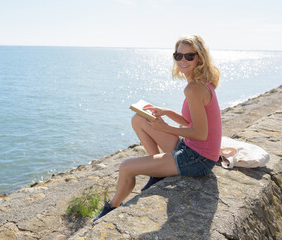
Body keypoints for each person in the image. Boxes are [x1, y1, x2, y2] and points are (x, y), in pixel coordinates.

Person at [94, 35, 222, 222]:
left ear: (199, 58)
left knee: (126, 167)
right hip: (192, 150)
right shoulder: (201, 82)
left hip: (197, 159)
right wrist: (167, 111)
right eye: (178, 56)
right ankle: (156, 173)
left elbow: (201, 134)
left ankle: (111, 208)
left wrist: (166, 127)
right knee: (139, 119)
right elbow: (190, 122)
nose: (182, 61)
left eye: (189, 56)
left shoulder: (193, 88)